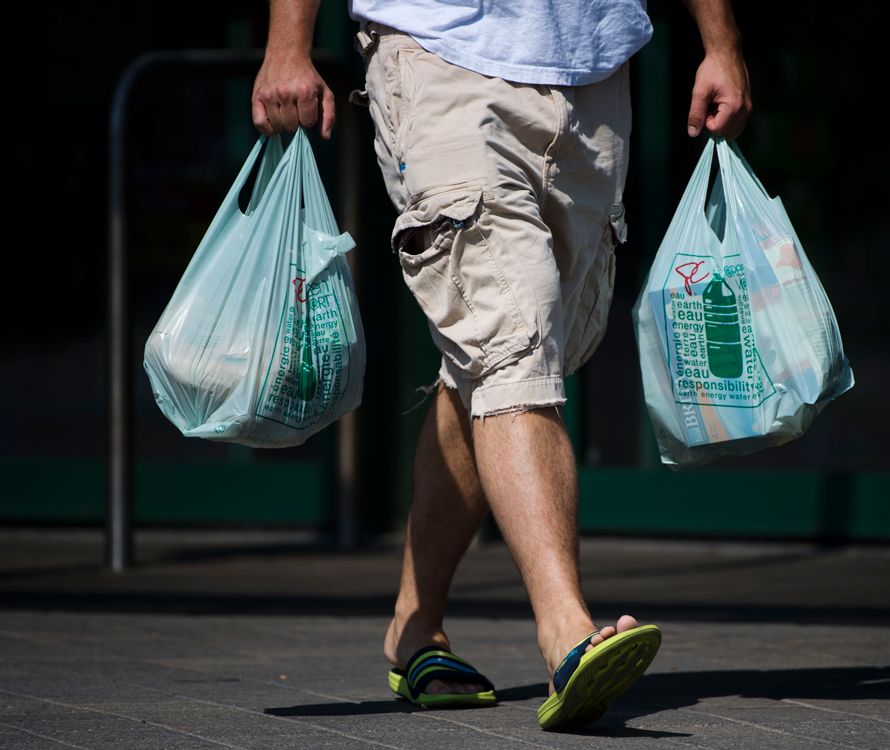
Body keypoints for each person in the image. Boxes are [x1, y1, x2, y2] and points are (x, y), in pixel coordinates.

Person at [252, 0, 750, 730]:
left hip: (595, 68)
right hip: (442, 54)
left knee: (494, 362)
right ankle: (566, 633)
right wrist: (288, 41)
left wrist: (720, 40)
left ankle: (413, 627)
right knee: (512, 347)